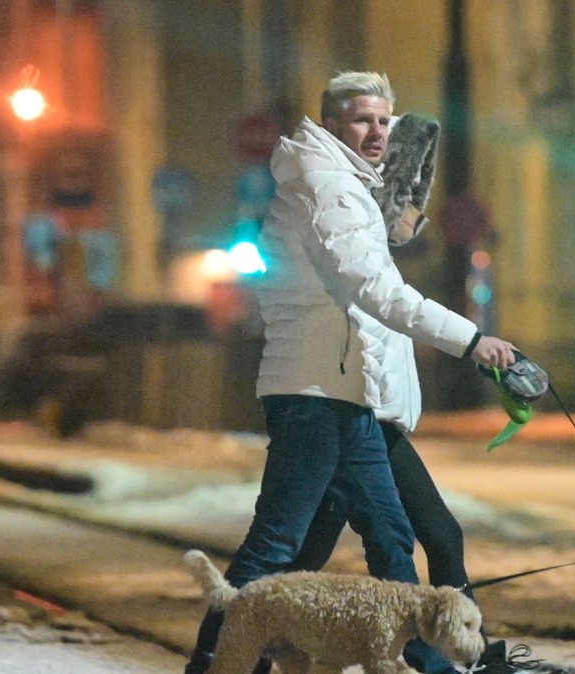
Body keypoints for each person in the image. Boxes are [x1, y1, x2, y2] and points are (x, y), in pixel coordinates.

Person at [184, 71, 516, 674]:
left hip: (347, 396)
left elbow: (375, 296)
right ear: (333, 121)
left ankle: (427, 663)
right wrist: (470, 339)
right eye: (363, 119)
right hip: (313, 395)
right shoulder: (327, 185)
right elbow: (372, 287)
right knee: (278, 545)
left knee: (391, 538)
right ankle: (212, 661)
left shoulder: (352, 189)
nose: (377, 132)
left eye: (384, 120)